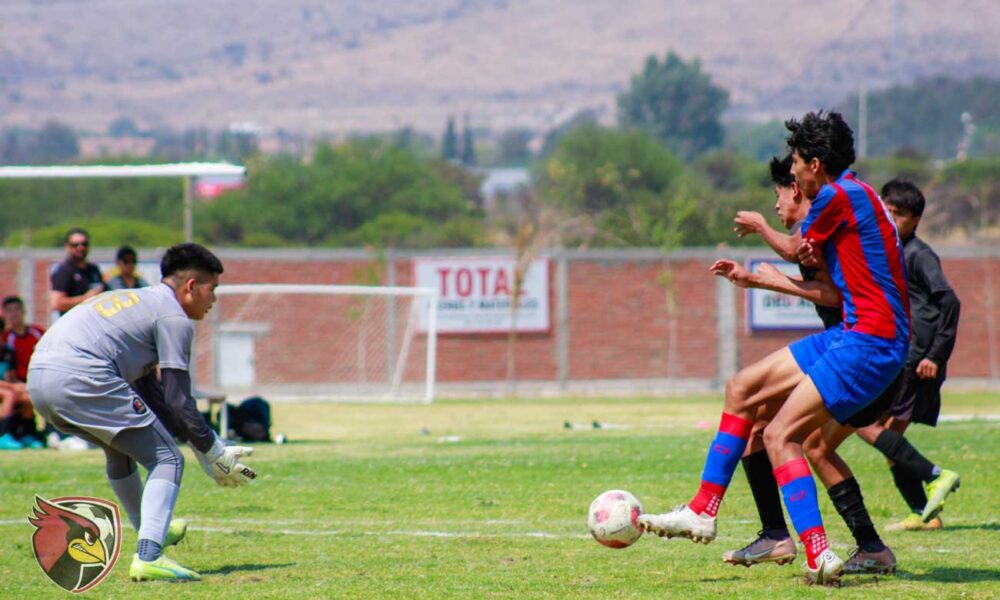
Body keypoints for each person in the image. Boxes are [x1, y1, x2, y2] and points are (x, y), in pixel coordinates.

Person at [639, 111, 909, 586]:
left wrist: (763, 232)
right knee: (742, 388)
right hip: (854, 334)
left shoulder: (835, 196)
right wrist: (767, 269)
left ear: (817, 164)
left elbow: (793, 250)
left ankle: (818, 551)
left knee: (780, 435)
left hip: (869, 341)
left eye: (799, 163)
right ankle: (703, 509)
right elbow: (816, 265)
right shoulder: (853, 194)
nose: (795, 173)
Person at [709, 155, 897, 574]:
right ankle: (780, 535)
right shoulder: (830, 223)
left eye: (780, 191)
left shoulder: (823, 227)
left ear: (798, 187)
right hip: (854, 351)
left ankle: (822, 543)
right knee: (767, 427)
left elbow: (834, 294)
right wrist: (763, 277)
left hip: (863, 355)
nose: (777, 204)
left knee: (789, 435)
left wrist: (765, 262)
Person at [27, 243, 259, 583]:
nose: (214, 300)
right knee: (168, 459)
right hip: (81, 374)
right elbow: (179, 399)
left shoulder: (140, 301)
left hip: (40, 379)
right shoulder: (174, 318)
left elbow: (156, 397)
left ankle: (152, 533)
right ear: (191, 286)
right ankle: (150, 556)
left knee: (119, 450)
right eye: (213, 289)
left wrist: (204, 447)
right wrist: (213, 450)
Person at [853, 179, 961, 530]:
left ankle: (936, 479)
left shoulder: (919, 255)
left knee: (877, 430)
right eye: (885, 210)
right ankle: (923, 512)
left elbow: (950, 302)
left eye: (897, 214)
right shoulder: (889, 251)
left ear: (915, 219)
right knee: (886, 437)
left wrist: (936, 355)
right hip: (901, 359)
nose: (889, 218)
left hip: (919, 362)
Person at [0, 295, 45, 448]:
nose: (14, 314)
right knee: (10, 394)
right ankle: (3, 435)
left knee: (27, 398)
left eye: (16, 309)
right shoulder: (7, 337)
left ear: (23, 311)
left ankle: (28, 434)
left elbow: (9, 373)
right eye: (9, 311)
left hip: (27, 383)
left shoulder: (37, 332)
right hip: (11, 387)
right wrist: (13, 386)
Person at [50, 228, 106, 316]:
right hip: (74, 325)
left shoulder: (94, 269)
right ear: (67, 247)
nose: (80, 248)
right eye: (75, 245)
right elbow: (56, 303)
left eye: (84, 244)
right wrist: (85, 298)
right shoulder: (64, 271)